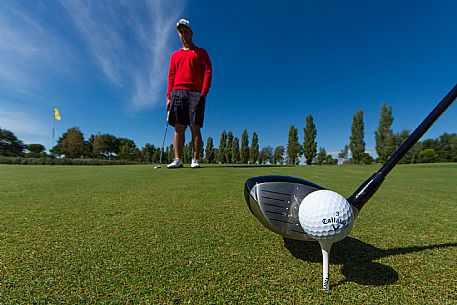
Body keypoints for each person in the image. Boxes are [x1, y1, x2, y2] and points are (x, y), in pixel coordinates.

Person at [166, 19, 212, 168]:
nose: (183, 34)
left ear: (191, 33)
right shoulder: (175, 56)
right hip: (177, 93)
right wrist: (168, 96)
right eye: (180, 32)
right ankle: (178, 159)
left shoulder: (201, 52)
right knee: (179, 127)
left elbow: (208, 72)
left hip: (195, 93)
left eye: (186, 31)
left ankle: (195, 159)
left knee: (195, 126)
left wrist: (203, 93)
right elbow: (171, 76)